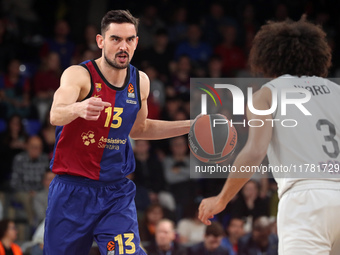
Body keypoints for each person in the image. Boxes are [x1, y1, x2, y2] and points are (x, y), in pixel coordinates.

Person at [44, 10, 190, 255]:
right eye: (115, 39)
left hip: (115, 192)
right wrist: (78, 108)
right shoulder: (78, 75)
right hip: (72, 191)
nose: (123, 46)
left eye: (129, 39)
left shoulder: (140, 80)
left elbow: (140, 129)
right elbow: (55, 114)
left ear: (136, 43)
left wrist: (192, 125)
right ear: (101, 41)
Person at [198, 18, 340, 255]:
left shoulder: (267, 95)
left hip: (305, 199)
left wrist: (222, 198)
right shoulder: (336, 91)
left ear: (269, 58)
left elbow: (255, 152)